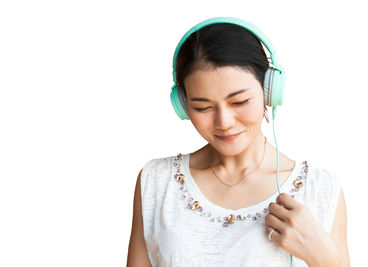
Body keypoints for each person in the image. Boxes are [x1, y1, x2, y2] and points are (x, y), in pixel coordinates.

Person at [127, 17, 350, 267]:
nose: (224, 122)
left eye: (240, 102)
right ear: (182, 105)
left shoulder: (319, 189)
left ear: (269, 91)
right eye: (203, 107)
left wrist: (326, 259)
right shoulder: (157, 181)